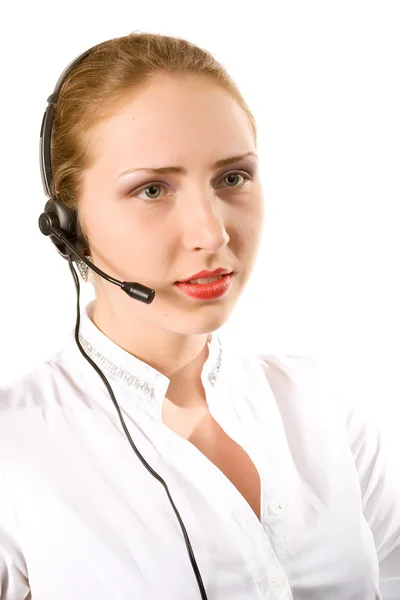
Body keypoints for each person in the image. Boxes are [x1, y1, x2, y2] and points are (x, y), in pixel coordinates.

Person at [0, 31, 399, 600]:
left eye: (232, 178)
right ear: (69, 226)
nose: (212, 233)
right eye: (152, 189)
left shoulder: (319, 403)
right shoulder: (14, 450)